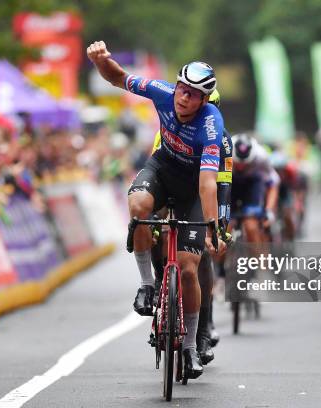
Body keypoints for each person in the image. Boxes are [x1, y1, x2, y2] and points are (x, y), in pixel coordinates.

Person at [87, 40, 226, 379]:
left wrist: (212, 226)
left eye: (193, 94)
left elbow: (208, 184)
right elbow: (118, 78)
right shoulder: (162, 92)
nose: (184, 97)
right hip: (162, 169)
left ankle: (192, 347)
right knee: (138, 207)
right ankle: (147, 284)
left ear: (205, 99)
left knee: (190, 269)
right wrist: (100, 60)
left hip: (194, 184)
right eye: (182, 89)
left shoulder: (211, 125)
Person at [149, 89, 231, 365]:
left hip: (202, 194)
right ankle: (159, 281)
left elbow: (223, 186)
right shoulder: (167, 130)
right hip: (174, 187)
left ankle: (204, 330)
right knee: (154, 227)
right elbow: (156, 172)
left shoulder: (222, 141)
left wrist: (220, 224)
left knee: (201, 258)